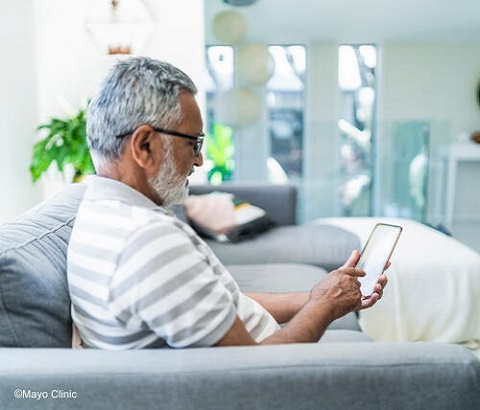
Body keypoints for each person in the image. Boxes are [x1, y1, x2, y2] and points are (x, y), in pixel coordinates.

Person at [67, 56, 386, 349]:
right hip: (280, 374)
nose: (201, 159)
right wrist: (325, 306)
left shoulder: (99, 213)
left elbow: (219, 303)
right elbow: (249, 375)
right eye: (193, 143)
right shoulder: (149, 240)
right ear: (145, 145)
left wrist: (320, 296)